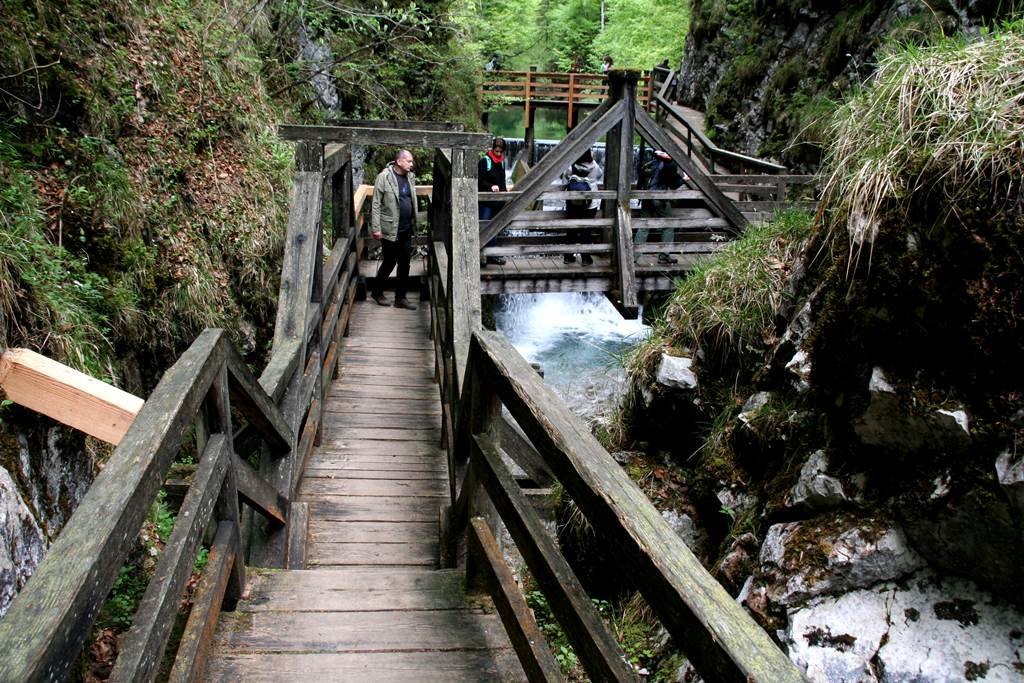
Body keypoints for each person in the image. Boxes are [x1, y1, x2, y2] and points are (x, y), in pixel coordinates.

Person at [370, 149, 418, 310]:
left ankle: (401, 298)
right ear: (399, 161)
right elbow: (376, 203)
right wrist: (376, 228)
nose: (412, 164)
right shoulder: (384, 177)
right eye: (409, 161)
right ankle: (377, 292)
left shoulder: (410, 177)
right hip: (389, 228)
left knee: (405, 263)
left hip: (406, 228)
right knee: (390, 261)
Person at [636, 150, 684, 265]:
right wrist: (684, 180)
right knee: (668, 225)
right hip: (659, 198)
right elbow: (673, 185)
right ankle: (664, 255)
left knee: (643, 227)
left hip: (646, 197)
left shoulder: (648, 165)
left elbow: (640, 183)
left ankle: (633, 256)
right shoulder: (669, 165)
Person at [561, 150, 603, 265]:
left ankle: (568, 257)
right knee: (586, 230)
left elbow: (564, 179)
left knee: (571, 229)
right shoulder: (594, 166)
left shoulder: (571, 166)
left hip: (572, 202)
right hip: (590, 204)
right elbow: (600, 174)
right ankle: (585, 258)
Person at [478, 137, 508, 267]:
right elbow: (479, 180)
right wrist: (490, 186)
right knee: (484, 227)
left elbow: (503, 181)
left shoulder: (502, 162)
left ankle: (492, 256)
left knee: (495, 228)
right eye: (497, 151)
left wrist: (506, 194)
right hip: (486, 202)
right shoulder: (485, 161)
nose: (499, 153)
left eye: (501, 151)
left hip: (498, 201)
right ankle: (480, 257)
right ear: (492, 149)